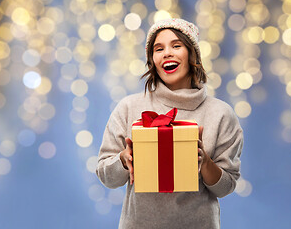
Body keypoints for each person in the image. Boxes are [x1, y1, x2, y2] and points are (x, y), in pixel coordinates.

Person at [96, 18, 243, 229]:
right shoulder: (129, 107)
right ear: (152, 60)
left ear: (193, 54)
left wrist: (204, 162)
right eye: (158, 48)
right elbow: (106, 177)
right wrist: (123, 159)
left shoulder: (221, 114)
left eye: (176, 45)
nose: (167, 53)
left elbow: (226, 187)